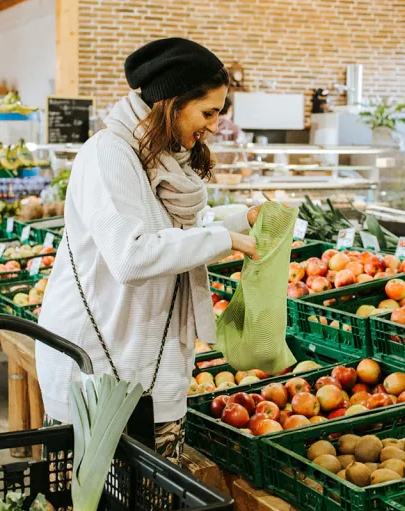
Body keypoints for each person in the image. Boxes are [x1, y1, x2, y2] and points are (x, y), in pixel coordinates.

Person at [36, 38, 260, 464]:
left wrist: (240, 220)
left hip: (149, 362)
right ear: (173, 104)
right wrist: (223, 240)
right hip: (97, 362)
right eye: (208, 112)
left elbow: (178, 231)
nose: (213, 126)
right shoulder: (108, 154)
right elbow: (132, 255)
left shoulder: (162, 159)